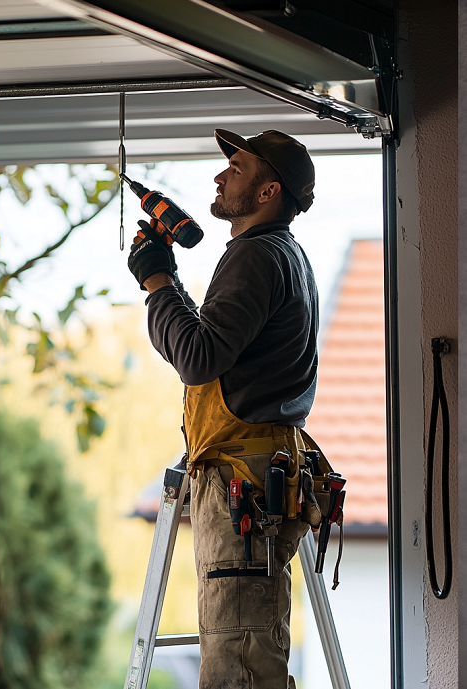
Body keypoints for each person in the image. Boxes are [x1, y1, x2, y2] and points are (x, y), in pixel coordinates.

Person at [127, 129, 319, 689]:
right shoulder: (282, 255)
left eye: (235, 168)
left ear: (268, 192)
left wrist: (158, 281)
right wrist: (168, 286)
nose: (219, 177)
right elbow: (214, 346)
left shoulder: (256, 256)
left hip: (244, 480)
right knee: (250, 649)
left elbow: (196, 357)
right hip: (263, 469)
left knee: (239, 667)